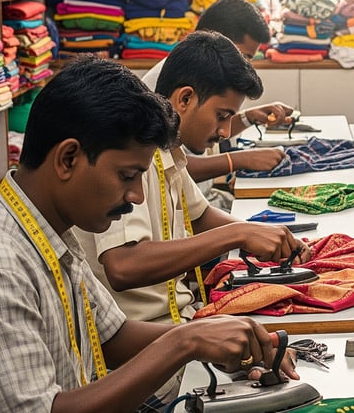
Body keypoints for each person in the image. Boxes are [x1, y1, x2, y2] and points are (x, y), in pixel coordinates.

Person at [0, 55, 297, 412]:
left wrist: (213, 338)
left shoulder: (51, 232)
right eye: (127, 176)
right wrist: (185, 342)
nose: (137, 195)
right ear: (68, 159)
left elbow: (113, 336)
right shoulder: (4, 263)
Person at [75, 31, 309, 409]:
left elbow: (200, 217)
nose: (225, 132)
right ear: (184, 99)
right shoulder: (134, 160)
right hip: (145, 361)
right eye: (222, 116)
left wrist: (267, 234)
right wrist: (239, 233)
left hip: (178, 334)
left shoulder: (172, 154)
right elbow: (123, 265)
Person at [142, 0, 293, 211]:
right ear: (216, 44)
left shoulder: (197, 78)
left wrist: (248, 118)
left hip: (200, 200)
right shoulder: (168, 83)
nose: (244, 66)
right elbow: (162, 167)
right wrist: (237, 160)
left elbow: (203, 133)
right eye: (243, 57)